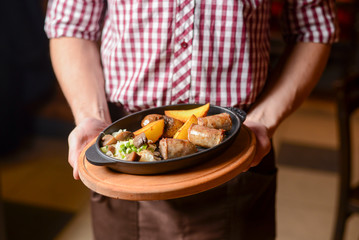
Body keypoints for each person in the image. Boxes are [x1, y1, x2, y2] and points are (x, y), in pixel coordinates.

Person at [45, 0, 338, 239]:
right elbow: (72, 24)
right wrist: (91, 118)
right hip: (126, 155)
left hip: (236, 149)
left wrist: (264, 120)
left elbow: (313, 28)